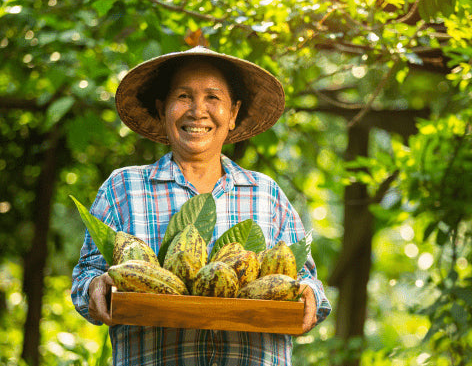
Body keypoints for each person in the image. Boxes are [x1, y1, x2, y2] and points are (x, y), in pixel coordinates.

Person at [71, 46, 331, 366]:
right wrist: (97, 287)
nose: (197, 110)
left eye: (213, 97)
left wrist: (308, 295)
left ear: (232, 113)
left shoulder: (266, 193)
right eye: (183, 96)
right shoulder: (123, 188)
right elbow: (86, 278)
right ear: (162, 108)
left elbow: (306, 282)